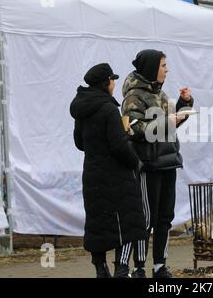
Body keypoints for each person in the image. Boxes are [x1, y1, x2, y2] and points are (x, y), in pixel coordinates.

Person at [70, 63, 147, 278]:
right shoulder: (108, 109)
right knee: (126, 223)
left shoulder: (81, 109)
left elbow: (79, 143)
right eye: (112, 80)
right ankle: (121, 270)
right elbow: (119, 146)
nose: (114, 84)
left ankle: (100, 268)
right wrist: (135, 162)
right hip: (116, 175)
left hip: (92, 173)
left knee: (97, 224)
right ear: (106, 83)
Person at [121, 49, 193, 278]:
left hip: (168, 162)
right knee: (146, 219)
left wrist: (184, 105)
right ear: (152, 68)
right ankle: (139, 267)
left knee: (165, 218)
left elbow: (168, 127)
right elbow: (133, 130)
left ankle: (160, 266)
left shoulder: (160, 95)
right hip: (148, 165)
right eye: (163, 65)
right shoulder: (133, 98)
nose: (167, 69)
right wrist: (165, 121)